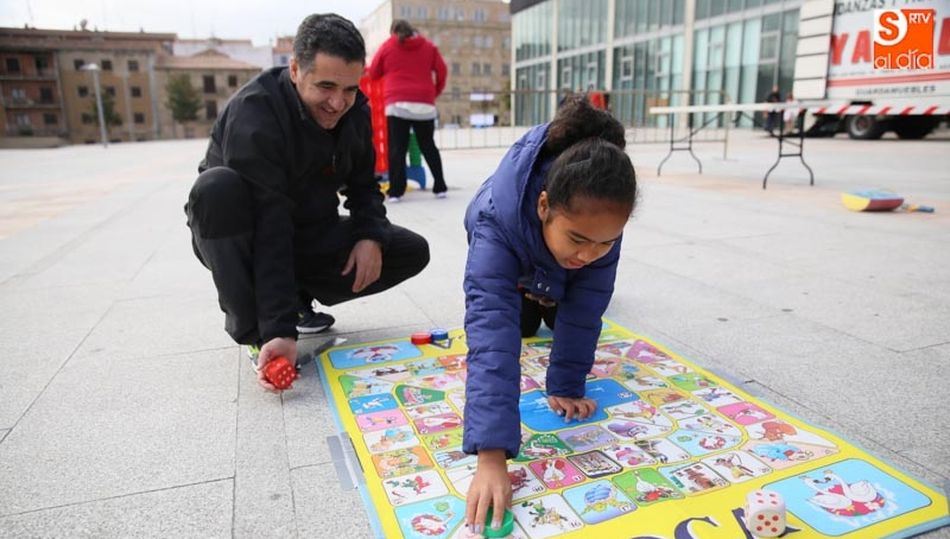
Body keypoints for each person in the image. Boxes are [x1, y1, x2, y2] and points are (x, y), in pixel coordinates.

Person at [184, 13, 430, 391]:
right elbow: (270, 224)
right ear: (295, 69)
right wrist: (277, 331)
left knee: (410, 250)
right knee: (215, 189)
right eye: (326, 87)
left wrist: (370, 236)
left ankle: (296, 297)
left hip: (309, 230)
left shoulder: (354, 109)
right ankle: (256, 331)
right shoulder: (255, 114)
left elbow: (364, 186)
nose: (338, 102)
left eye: (349, 88)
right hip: (243, 233)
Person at [460, 96, 639, 534]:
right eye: (579, 238)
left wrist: (565, 385)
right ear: (544, 206)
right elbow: (491, 337)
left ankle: (548, 290)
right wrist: (491, 453)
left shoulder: (598, 228)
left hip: (551, 270)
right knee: (517, 325)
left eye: (606, 242)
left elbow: (587, 309)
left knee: (569, 313)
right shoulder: (493, 224)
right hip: (516, 262)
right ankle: (535, 293)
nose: (591, 253)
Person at [368, 19, 448, 201]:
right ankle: (440, 187)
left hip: (397, 105)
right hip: (424, 104)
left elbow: (373, 72)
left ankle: (396, 191)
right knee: (428, 146)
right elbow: (442, 71)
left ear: (393, 32)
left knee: (397, 149)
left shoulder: (388, 46)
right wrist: (433, 92)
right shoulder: (428, 47)